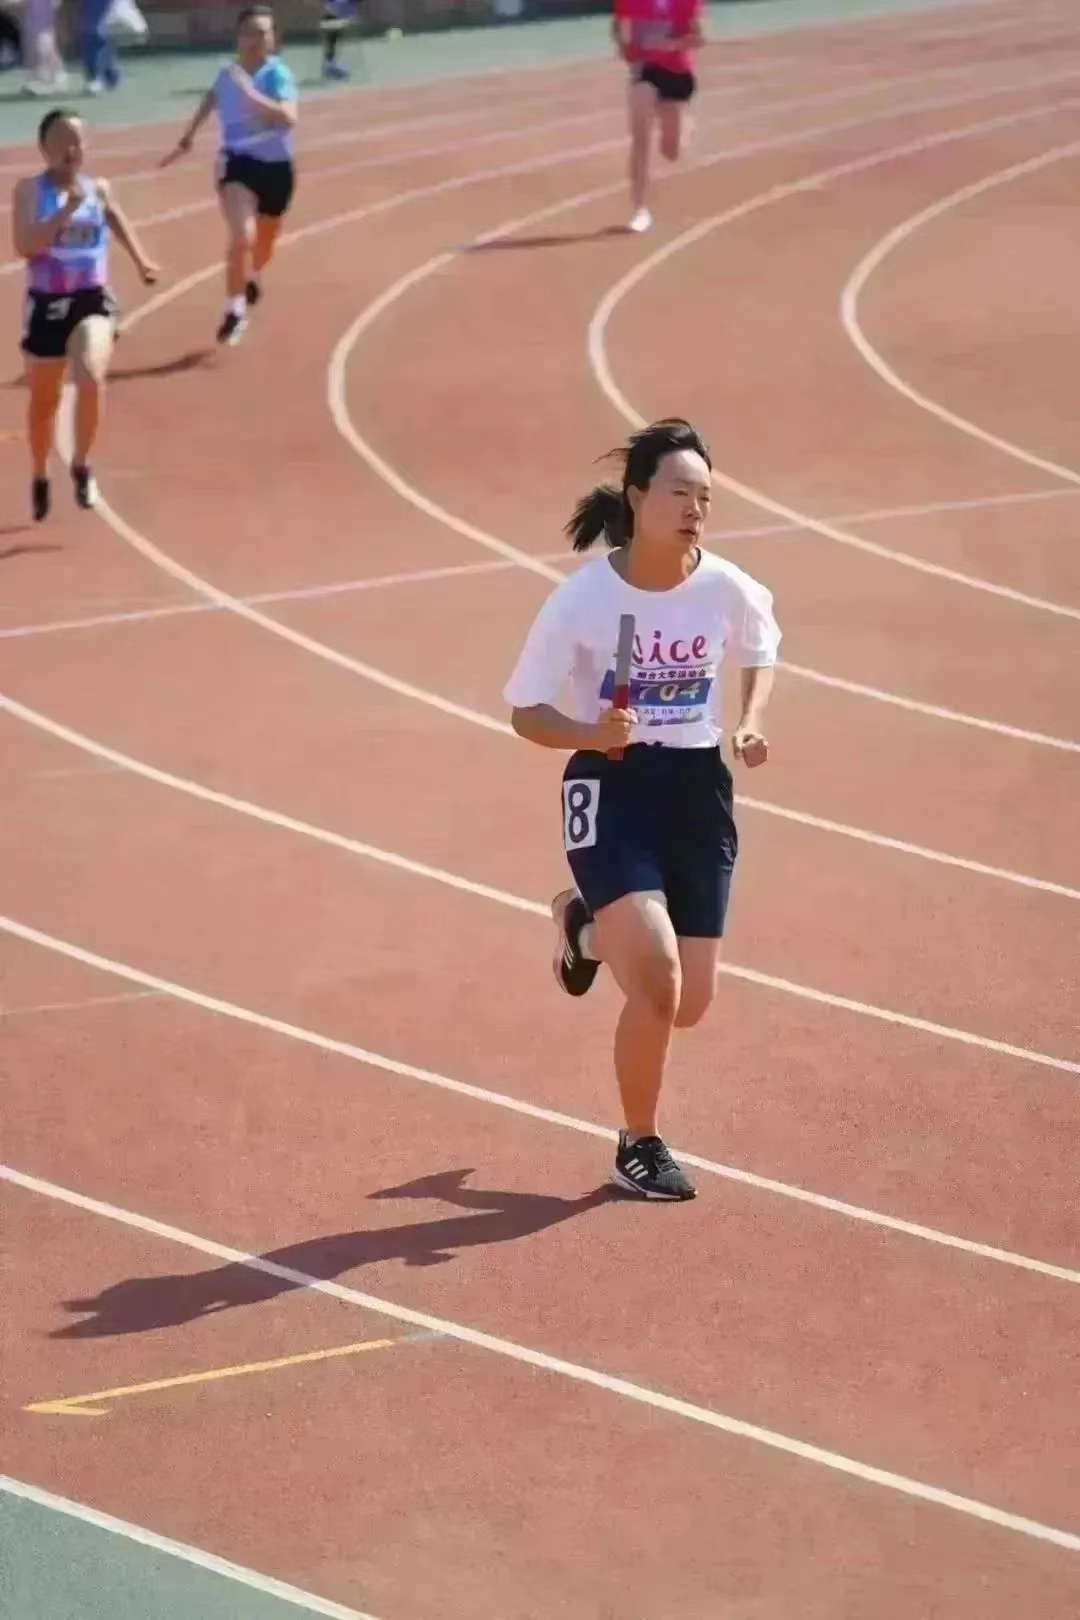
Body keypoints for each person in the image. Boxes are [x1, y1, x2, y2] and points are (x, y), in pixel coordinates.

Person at [504, 420, 780, 1201]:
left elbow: (760, 647)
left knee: (687, 1005)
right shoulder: (584, 600)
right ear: (637, 497)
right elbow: (526, 712)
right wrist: (592, 732)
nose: (695, 509)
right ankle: (639, 1142)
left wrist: (751, 719)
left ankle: (582, 930)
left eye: (706, 497)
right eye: (679, 492)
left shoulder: (726, 586)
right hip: (613, 784)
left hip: (696, 789)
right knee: (656, 980)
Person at [12, 108, 159, 522]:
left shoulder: (97, 188)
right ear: (44, 148)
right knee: (44, 402)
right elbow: (25, 246)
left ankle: (81, 463)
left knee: (91, 375)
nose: (72, 150)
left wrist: (141, 260)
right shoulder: (29, 191)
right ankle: (40, 473)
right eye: (63, 142)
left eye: (78, 141)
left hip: (92, 299)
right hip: (46, 305)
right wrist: (63, 212)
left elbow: (113, 215)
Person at [161, 4, 297, 346]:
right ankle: (234, 309)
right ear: (238, 36)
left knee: (264, 245)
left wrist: (250, 94)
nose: (255, 39)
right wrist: (189, 136)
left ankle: (252, 275)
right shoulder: (227, 73)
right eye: (249, 32)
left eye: (262, 33)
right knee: (242, 237)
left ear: (273, 39)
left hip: (277, 169)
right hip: (237, 164)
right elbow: (211, 98)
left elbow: (288, 118)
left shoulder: (278, 74)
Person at [612, 0, 703, 233]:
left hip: (677, 71)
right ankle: (640, 209)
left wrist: (670, 45)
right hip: (645, 69)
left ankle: (680, 122)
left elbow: (697, 38)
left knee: (671, 152)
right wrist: (623, 45)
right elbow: (618, 24)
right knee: (640, 137)